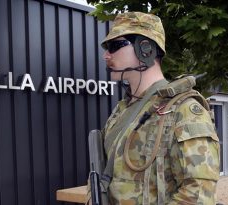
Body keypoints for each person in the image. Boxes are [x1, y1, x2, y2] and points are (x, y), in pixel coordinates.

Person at [90, 12, 220, 205]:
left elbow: (198, 195)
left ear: (146, 49)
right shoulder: (121, 111)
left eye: (114, 46)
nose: (106, 55)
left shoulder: (183, 110)